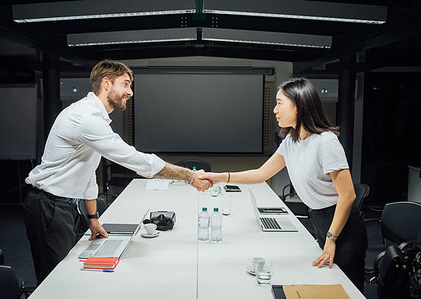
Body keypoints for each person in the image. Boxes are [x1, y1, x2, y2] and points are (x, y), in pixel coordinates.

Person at [23, 59, 211, 284]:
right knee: (55, 280)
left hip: (63, 205)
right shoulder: (87, 118)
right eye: (125, 85)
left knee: (71, 272)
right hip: (49, 205)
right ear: (106, 84)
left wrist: (92, 218)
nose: (130, 92)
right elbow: (135, 160)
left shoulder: (96, 117)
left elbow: (88, 172)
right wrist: (189, 176)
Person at [200, 77, 367, 292]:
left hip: (342, 224)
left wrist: (332, 238)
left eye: (279, 103)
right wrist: (220, 177)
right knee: (327, 283)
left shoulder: (326, 142)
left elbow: (348, 196)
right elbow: (261, 174)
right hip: (318, 218)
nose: (274, 110)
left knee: (347, 289)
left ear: (299, 105)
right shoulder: (291, 141)